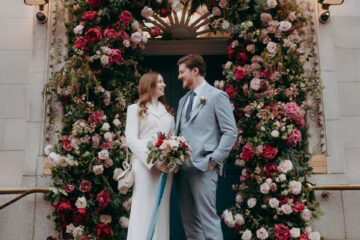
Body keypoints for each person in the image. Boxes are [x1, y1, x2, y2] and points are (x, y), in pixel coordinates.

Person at [175, 54, 238, 240]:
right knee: (190, 225)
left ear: (195, 71)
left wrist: (213, 160)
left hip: (203, 168)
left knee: (208, 221)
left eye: (182, 72)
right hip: (181, 170)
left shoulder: (217, 96)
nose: (179, 77)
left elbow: (230, 133)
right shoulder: (182, 101)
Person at [125, 71, 174, 240]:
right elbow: (131, 139)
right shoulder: (135, 109)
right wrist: (153, 162)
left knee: (161, 210)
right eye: (160, 82)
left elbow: (172, 139)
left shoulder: (168, 113)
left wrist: (170, 160)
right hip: (146, 167)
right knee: (143, 209)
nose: (164, 85)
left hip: (165, 170)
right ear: (150, 85)